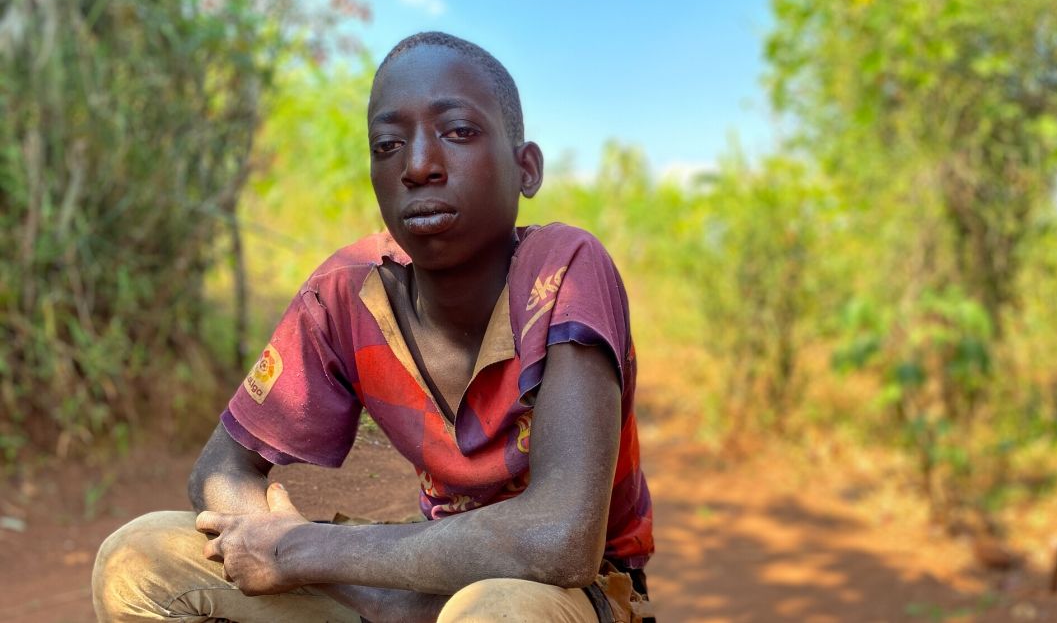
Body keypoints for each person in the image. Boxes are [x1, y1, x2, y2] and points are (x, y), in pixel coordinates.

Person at [92, 31, 654, 623]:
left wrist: (302, 549)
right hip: (414, 576)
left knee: (496, 611)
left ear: (526, 169)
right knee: (139, 561)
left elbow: (560, 539)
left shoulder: (565, 270)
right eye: (388, 145)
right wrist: (314, 562)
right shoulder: (348, 292)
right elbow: (220, 471)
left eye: (458, 132)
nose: (417, 165)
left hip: (570, 591)